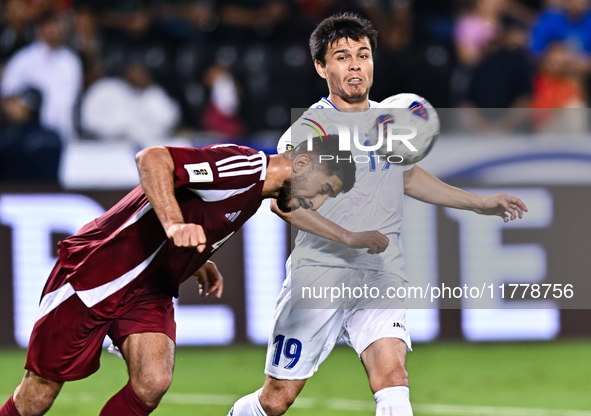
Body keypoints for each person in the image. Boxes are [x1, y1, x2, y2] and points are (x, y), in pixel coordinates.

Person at [228, 13, 528, 416]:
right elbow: (286, 204)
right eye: (342, 56)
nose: (355, 65)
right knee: (278, 398)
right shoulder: (310, 130)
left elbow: (406, 177)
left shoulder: (388, 124)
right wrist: (348, 237)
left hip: (380, 272)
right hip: (321, 272)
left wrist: (478, 202)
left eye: (363, 55)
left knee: (392, 377)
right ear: (322, 67)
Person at [0, 137, 356, 416]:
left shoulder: (255, 193)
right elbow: (153, 159)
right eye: (324, 189)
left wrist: (196, 258)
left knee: (152, 381)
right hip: (97, 277)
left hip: (149, 290)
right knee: (37, 397)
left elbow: (195, 202)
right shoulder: (244, 169)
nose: (317, 202)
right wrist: (173, 224)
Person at [0, 10, 83, 142]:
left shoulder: (71, 62)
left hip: (64, 133)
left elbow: (72, 100)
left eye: (57, 25)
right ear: (39, 29)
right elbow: (6, 96)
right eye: (48, 26)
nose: (53, 30)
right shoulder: (22, 60)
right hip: (30, 136)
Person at [0, 86, 62, 182]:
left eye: (16, 103)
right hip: (52, 194)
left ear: (27, 108)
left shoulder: (12, 140)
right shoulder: (55, 136)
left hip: (19, 194)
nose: (10, 108)